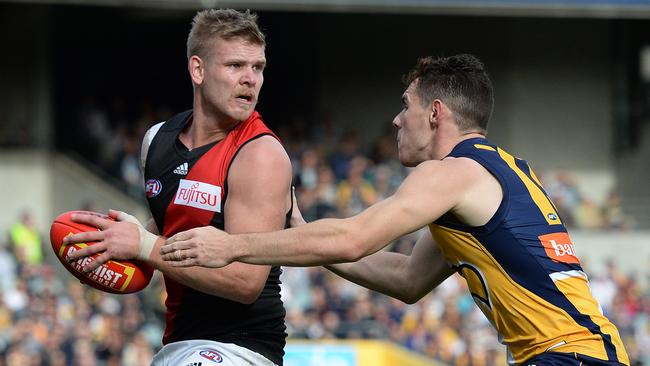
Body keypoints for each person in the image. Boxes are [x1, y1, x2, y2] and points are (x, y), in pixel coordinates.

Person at [160, 54, 630, 366]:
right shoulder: (500, 171)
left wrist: (233, 246)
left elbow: (353, 238)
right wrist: (303, 235)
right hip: (589, 353)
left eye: (406, 104)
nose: (396, 119)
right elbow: (407, 279)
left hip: (565, 356)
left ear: (436, 113)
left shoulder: (451, 172)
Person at [64, 8, 293, 366]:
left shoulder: (261, 154)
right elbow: (174, 226)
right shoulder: (156, 141)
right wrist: (115, 245)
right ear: (198, 70)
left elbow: (246, 283)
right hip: (178, 340)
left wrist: (143, 245)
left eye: (258, 67)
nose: (250, 79)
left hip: (241, 347)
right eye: (235, 66)